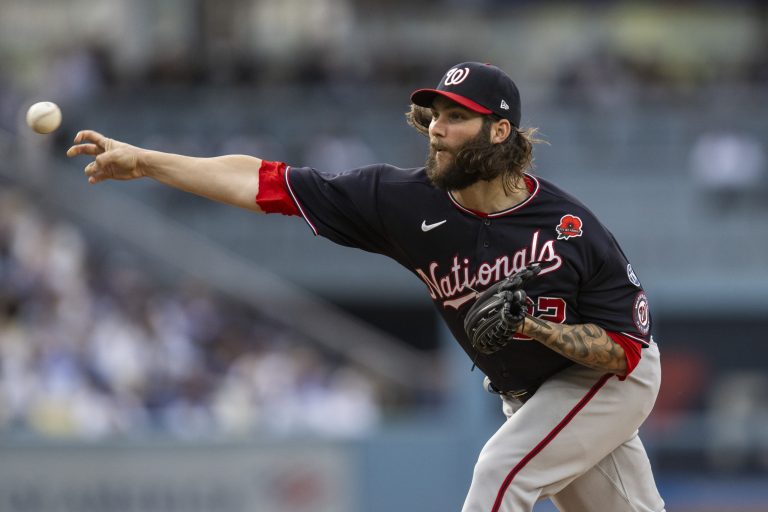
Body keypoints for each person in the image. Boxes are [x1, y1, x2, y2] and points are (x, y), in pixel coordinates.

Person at [67, 62, 665, 512]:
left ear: (500, 131)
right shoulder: (400, 201)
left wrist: (531, 326)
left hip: (608, 381)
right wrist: (148, 162)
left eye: (457, 117)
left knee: (499, 474)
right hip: (530, 394)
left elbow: (623, 353)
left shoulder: (570, 228)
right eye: (434, 116)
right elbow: (263, 182)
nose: (437, 129)